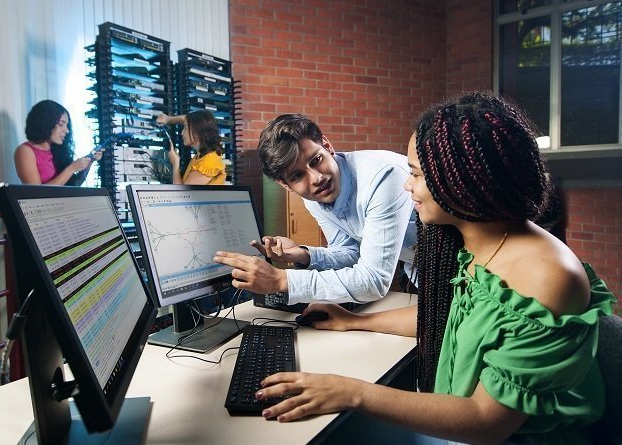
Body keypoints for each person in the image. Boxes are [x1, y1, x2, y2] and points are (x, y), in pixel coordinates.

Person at [251, 92, 616, 444]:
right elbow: (454, 317)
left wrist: (352, 392)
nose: (406, 186)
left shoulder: (545, 276)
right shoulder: (474, 246)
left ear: (462, 178)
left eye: (415, 174)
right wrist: (355, 321)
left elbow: (487, 422)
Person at [213, 114, 415, 305]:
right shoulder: (315, 196)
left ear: (327, 146)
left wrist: (282, 280)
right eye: (297, 176)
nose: (316, 178)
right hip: (419, 269)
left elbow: (373, 281)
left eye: (316, 160)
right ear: (285, 185)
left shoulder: (382, 177)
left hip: (443, 266)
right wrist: (303, 255)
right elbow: (351, 252)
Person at [14, 100, 102, 185]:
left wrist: (90, 162)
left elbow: (73, 185)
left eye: (67, 125)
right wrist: (72, 168)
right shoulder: (25, 151)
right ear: (46, 122)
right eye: (61, 124)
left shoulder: (58, 150)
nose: (67, 130)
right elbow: (36, 193)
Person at [156, 110, 226, 185]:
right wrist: (169, 119)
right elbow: (189, 120)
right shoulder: (203, 155)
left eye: (185, 128)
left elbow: (182, 195)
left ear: (197, 134)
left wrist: (175, 164)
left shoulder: (208, 163)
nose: (182, 133)